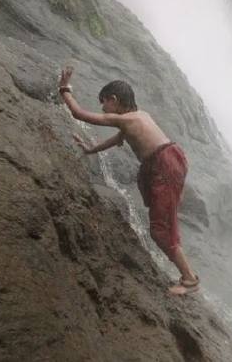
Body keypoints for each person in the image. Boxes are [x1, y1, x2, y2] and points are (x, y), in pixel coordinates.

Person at [57, 65, 199, 296]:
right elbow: (119, 138)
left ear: (114, 99)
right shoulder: (140, 116)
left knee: (159, 230)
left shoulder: (127, 120)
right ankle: (187, 274)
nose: (103, 108)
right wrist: (92, 149)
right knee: (166, 220)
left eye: (104, 102)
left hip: (164, 164)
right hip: (172, 159)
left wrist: (65, 89)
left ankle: (190, 279)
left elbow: (79, 114)